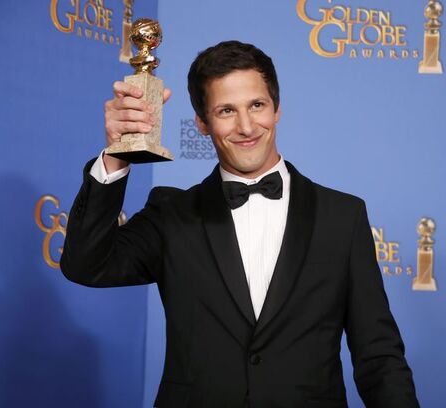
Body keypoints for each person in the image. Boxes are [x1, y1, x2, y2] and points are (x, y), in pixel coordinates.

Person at [61, 40, 419, 408]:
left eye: (257, 105)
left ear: (277, 108)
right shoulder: (173, 214)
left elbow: (379, 357)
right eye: (226, 111)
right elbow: (86, 265)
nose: (246, 126)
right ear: (202, 123)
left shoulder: (342, 216)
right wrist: (118, 155)